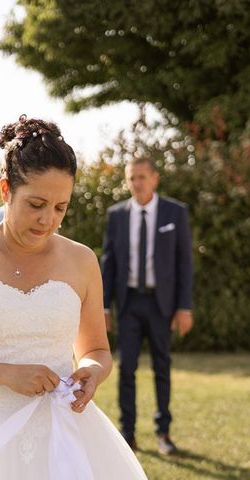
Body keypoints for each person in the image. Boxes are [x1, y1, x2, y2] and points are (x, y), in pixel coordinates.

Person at [0, 115, 148, 479]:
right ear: (6, 189)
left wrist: (92, 371)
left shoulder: (82, 260)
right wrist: (6, 374)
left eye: (61, 208)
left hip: (64, 438)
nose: (48, 220)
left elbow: (96, 350)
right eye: (36, 204)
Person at [100, 156, 193, 455]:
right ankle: (128, 434)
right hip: (128, 302)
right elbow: (109, 263)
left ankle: (163, 432)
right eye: (131, 178)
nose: (136, 183)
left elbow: (184, 263)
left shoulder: (174, 213)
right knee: (126, 368)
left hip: (161, 303)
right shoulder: (117, 215)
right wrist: (103, 308)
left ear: (155, 178)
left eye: (141, 177)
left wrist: (184, 306)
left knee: (161, 366)